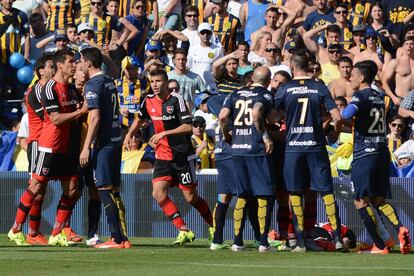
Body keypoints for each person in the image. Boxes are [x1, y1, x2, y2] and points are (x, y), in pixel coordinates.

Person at [124, 69, 214, 245]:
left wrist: (164, 133)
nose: (155, 85)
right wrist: (129, 134)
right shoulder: (148, 101)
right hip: (163, 156)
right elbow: (139, 118)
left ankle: (213, 226)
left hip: (182, 156)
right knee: (158, 193)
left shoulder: (176, 99)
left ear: (166, 82)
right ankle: (183, 229)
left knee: (190, 198)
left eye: (158, 81)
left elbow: (188, 127)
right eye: (153, 81)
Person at [8, 49, 88, 247]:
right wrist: (81, 111)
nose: (74, 65)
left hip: (67, 146)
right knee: (36, 186)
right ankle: (16, 229)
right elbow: (55, 119)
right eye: (71, 61)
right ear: (60, 65)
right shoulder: (48, 88)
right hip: (48, 145)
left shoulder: (71, 89)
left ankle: (57, 233)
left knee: (72, 188)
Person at [274, 51, 344, 252]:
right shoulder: (319, 86)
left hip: (293, 148)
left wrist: (273, 122)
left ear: (292, 66)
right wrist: (335, 133)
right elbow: (337, 116)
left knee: (295, 191)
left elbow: (272, 115)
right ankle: (338, 238)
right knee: (324, 191)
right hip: (315, 146)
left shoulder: (285, 89)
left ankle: (300, 242)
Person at [340, 60, 411, 254]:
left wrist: (340, 112)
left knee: (360, 200)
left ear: (361, 77)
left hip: (365, 154)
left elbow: (347, 113)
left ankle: (379, 245)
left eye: (353, 75)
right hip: (381, 152)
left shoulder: (360, 96)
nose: (351, 77)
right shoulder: (380, 96)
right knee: (379, 198)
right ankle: (400, 229)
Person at [219, 66, 275, 252]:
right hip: (256, 149)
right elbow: (257, 113)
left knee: (242, 194)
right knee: (264, 194)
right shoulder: (265, 94)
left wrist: (226, 134)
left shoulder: (235, 93)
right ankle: (264, 242)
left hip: (237, 149)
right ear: (268, 80)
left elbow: (223, 116)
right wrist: (265, 136)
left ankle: (237, 241)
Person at [79, 47, 129, 249]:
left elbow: (95, 117)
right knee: (114, 189)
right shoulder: (110, 81)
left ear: (88, 63)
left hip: (104, 143)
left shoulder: (93, 84)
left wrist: (86, 147)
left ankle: (116, 238)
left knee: (103, 189)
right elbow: (114, 70)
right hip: (116, 141)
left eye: (81, 60)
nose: (79, 64)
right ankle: (122, 237)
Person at [18, 54, 55, 245]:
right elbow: (48, 118)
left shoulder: (51, 89)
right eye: (50, 66)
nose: (53, 69)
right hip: (38, 144)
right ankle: (22, 230)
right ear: (41, 70)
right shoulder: (34, 92)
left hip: (49, 144)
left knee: (44, 189)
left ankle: (36, 232)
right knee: (36, 188)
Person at [187, 22, 224, 94]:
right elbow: (188, 67)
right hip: (196, 90)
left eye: (208, 32)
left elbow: (220, 70)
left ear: (211, 33)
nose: (205, 35)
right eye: (202, 32)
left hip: (211, 89)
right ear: (198, 34)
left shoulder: (218, 50)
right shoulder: (192, 49)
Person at [382, 36, 414, 106]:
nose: (409, 46)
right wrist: (393, 98)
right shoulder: (395, 62)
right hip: (401, 100)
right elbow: (384, 82)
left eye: (411, 44)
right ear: (402, 47)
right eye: (406, 44)